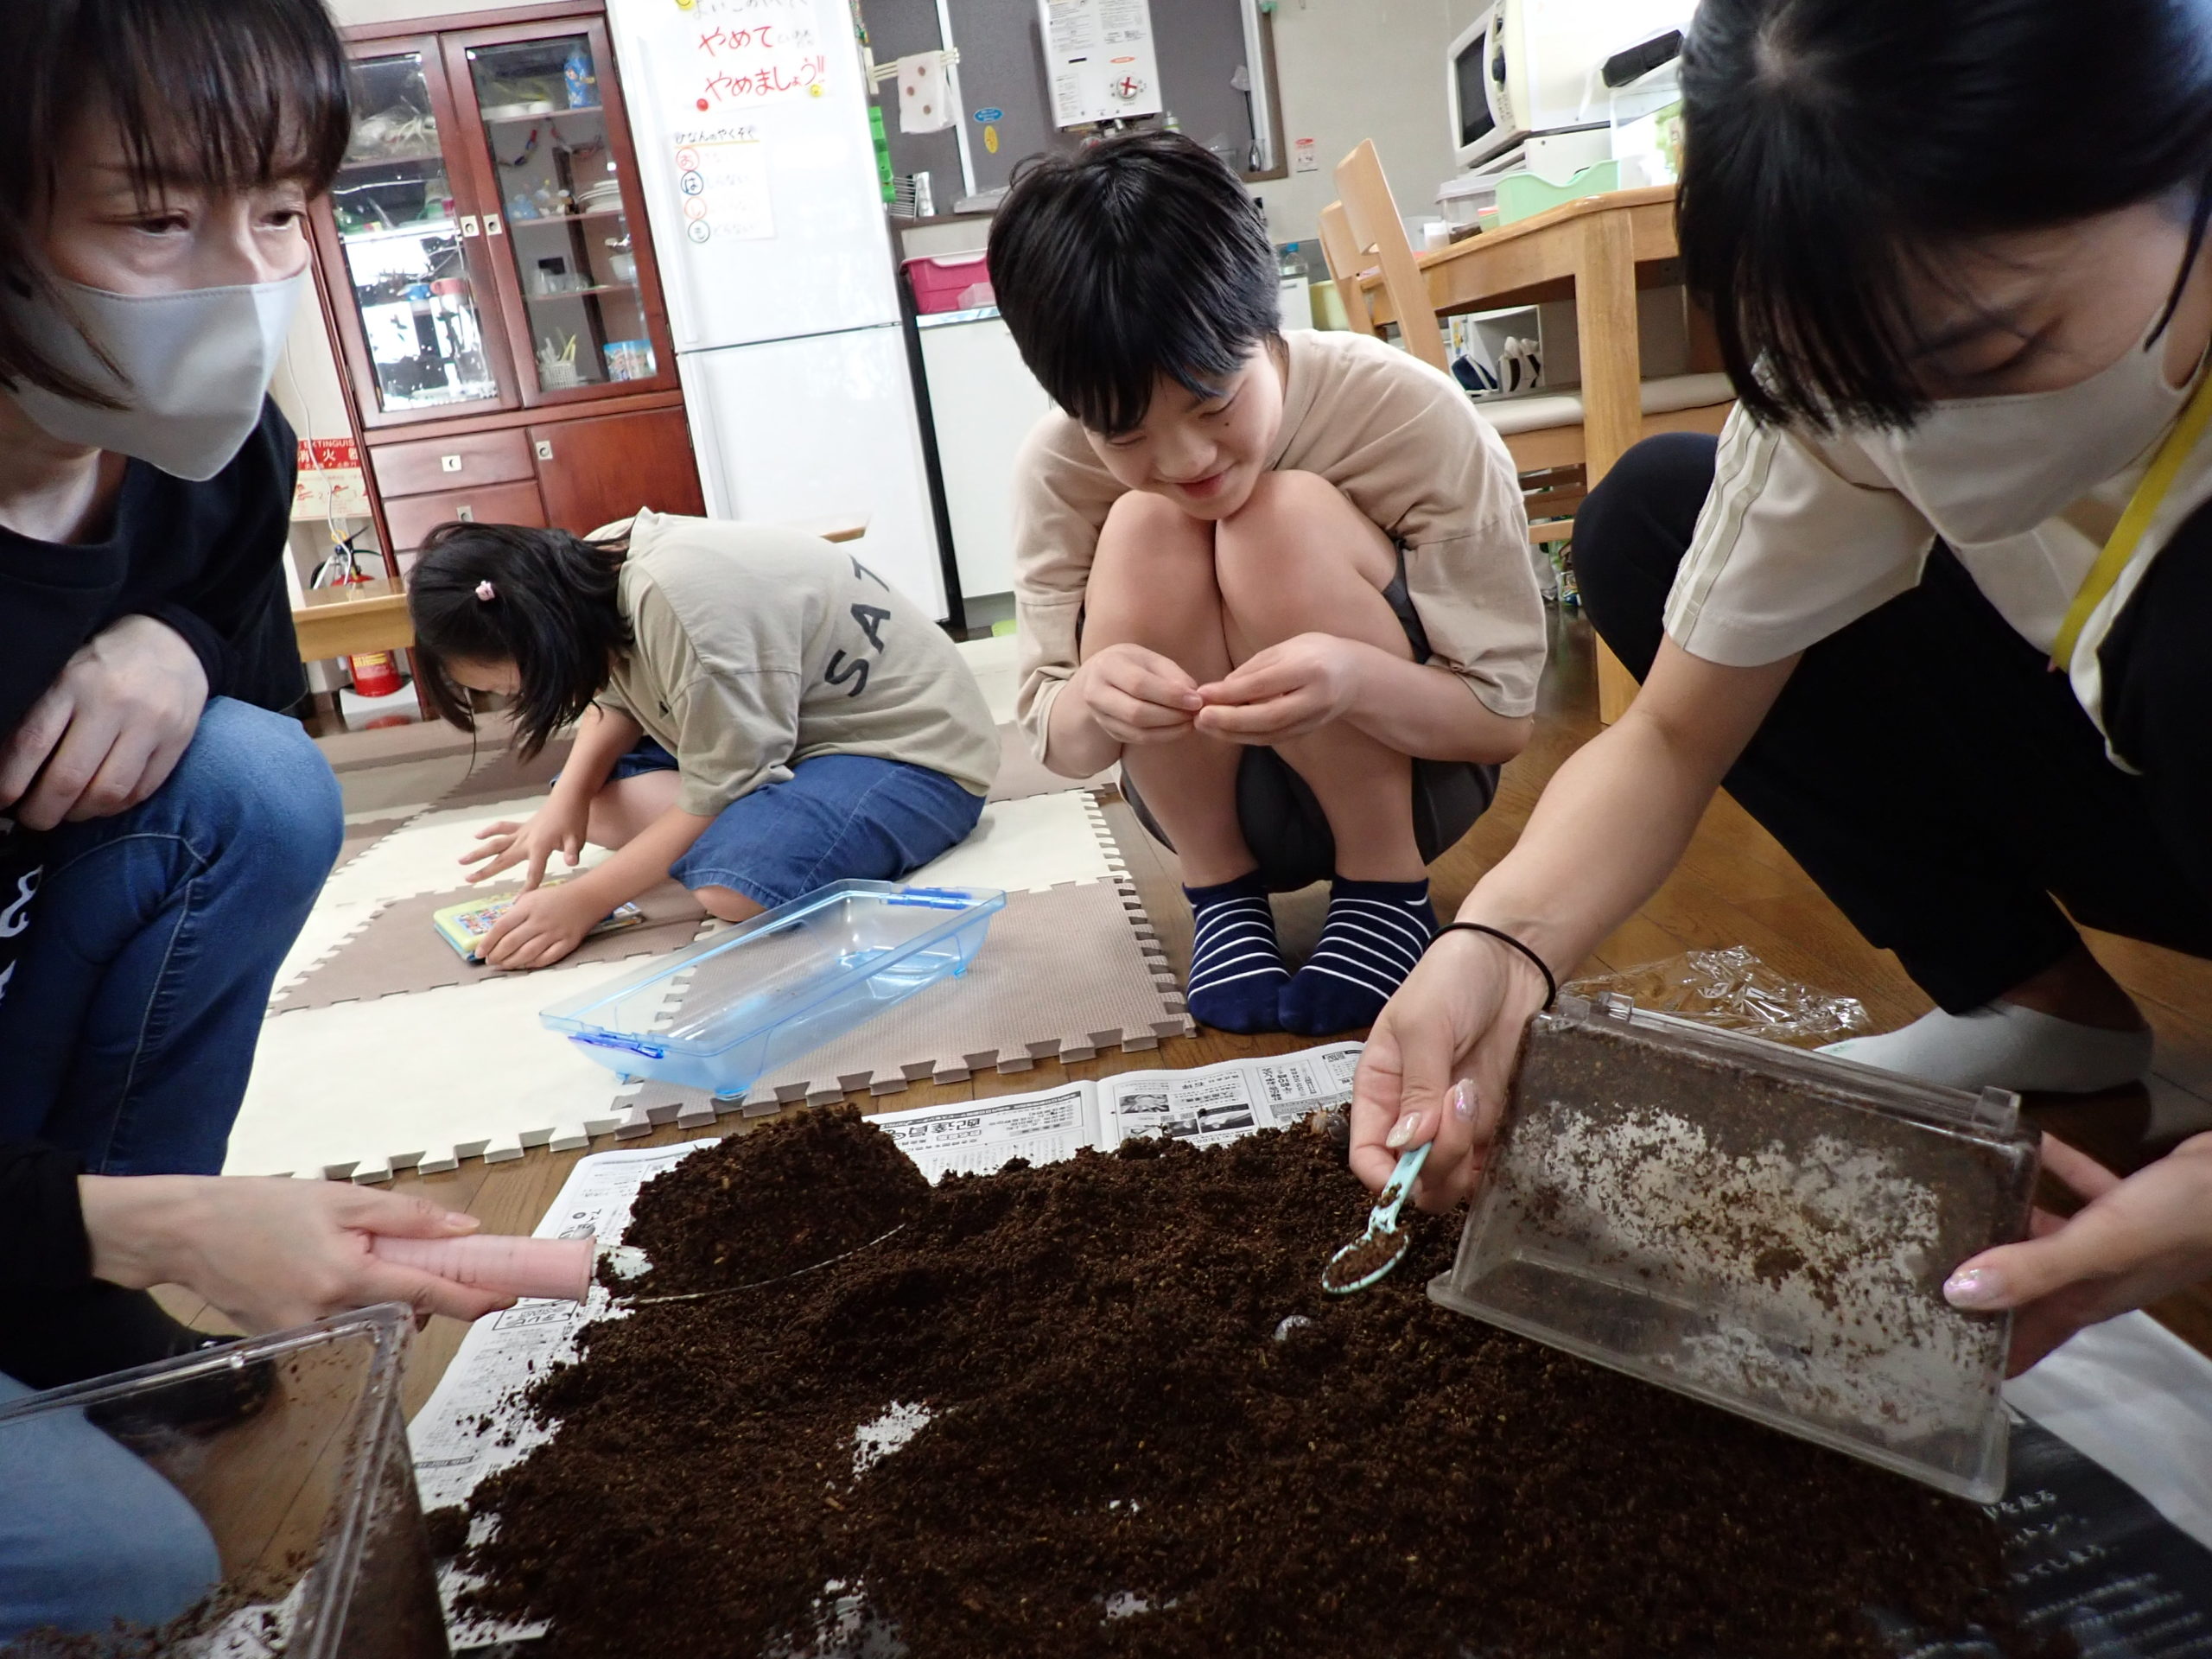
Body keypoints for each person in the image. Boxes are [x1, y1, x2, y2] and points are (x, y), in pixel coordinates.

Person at [1351, 0, 2212, 1370]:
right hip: (2116, 774)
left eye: (1993, 353)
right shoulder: (1862, 364)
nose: (1922, 442)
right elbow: (1674, 735)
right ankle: (2037, 1001)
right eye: (1846, 385)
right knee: (1654, 515)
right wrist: (1496, 947)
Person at [0, 3, 517, 1643]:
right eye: (155, 218)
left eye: (283, 212)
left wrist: (170, 638)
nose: (241, 281)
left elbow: (249, 678)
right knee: (125, 1576)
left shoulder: (217, 467)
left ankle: (52, 1304)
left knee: (254, 781)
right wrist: (155, 1224)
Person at [992, 132, 1542, 1038]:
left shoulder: (1403, 413)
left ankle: (1384, 891)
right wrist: (1094, 695)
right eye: (1124, 436)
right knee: (1144, 523)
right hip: (1206, 803)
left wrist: (1355, 678)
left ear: (1265, 324)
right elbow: (1063, 741)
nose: (1185, 459)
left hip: (1415, 780)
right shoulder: (1058, 468)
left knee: (1272, 519)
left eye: (1214, 404)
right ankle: (1221, 896)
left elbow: (1501, 718)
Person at [406, 512, 1001, 968]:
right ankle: (741, 817)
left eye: (506, 686)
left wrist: (586, 900)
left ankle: (745, 828)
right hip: (782, 726)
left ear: (540, 641)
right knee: (589, 807)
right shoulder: (583, 567)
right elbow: (620, 696)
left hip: (908, 751)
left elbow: (721, 781)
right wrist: (564, 802)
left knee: (735, 889)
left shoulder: (681, 604)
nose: (511, 699)